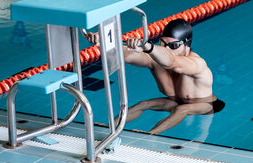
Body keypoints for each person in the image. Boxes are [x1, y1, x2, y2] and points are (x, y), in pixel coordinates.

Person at [86, 18, 224, 134]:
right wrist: (104, 42)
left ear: (187, 45)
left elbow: (172, 62)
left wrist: (148, 47)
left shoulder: (196, 64)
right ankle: (110, 127)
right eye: (163, 43)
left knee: (183, 111)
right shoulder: (156, 61)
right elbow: (126, 56)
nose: (167, 48)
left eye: (173, 45)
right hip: (177, 101)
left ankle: (149, 135)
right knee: (143, 104)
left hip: (206, 105)